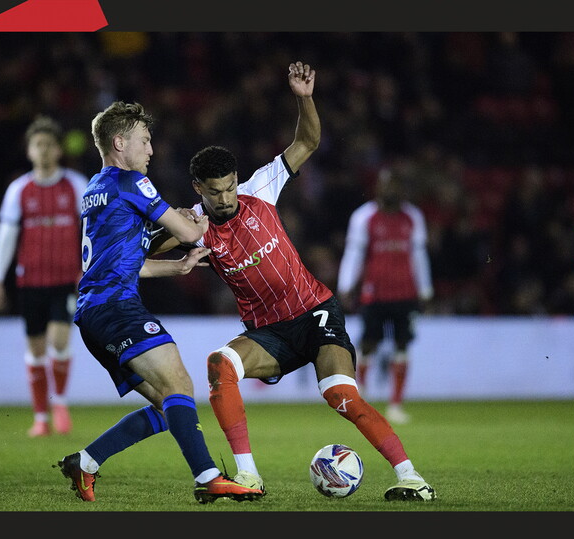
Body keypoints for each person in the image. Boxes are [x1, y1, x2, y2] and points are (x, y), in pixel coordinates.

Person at [185, 61, 436, 501]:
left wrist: (303, 97)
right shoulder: (190, 225)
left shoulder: (260, 189)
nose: (224, 198)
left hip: (316, 312)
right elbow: (144, 249)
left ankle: (412, 478)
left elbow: (308, 141)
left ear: (236, 180)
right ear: (198, 189)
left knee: (342, 396)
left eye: (229, 187)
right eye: (214, 191)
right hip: (269, 333)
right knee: (219, 365)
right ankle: (248, 478)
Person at [56, 101, 263, 504]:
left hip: (95, 312)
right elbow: (186, 230)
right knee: (181, 385)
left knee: (171, 407)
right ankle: (207, 478)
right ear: (120, 142)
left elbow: (123, 263)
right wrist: (197, 222)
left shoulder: (95, 190)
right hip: (117, 308)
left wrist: (178, 267)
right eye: (145, 141)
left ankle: (86, 461)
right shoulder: (132, 182)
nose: (151, 150)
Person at [0, 115, 88, 437]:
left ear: (58, 150)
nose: (42, 151)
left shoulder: (75, 185)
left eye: (48, 145)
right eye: (37, 145)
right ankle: (40, 418)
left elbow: (92, 229)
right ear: (29, 151)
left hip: (65, 280)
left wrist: (91, 267)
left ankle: (59, 403)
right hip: (30, 281)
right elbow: (6, 236)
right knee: (36, 350)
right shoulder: (19, 189)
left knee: (60, 341)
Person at [337, 167, 435, 425]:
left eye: (395, 185)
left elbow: (419, 255)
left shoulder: (413, 217)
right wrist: (346, 285)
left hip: (405, 293)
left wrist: (425, 289)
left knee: (402, 345)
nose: (391, 190)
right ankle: (361, 397)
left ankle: (395, 405)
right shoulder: (364, 217)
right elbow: (354, 254)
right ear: (378, 188)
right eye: (386, 185)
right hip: (375, 292)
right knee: (369, 343)